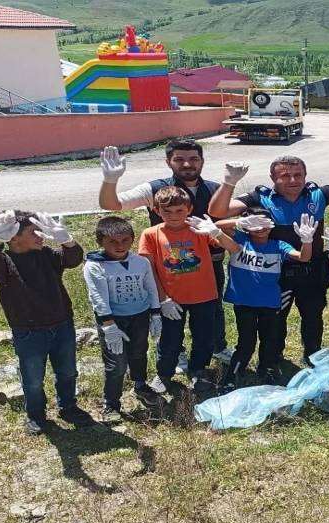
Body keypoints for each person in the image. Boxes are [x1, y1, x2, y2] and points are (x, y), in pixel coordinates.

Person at [208, 154, 329, 367]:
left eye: (298, 174)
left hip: (313, 270)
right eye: (285, 175)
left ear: (305, 175)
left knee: (313, 318)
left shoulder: (319, 194)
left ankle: (312, 355)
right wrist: (229, 182)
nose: (293, 180)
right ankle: (275, 357)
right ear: (273, 177)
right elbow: (216, 212)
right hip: (276, 273)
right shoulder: (259, 197)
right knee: (276, 320)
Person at [97, 141, 236, 364]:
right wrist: (110, 179)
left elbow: (228, 217)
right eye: (179, 159)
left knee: (213, 311)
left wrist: (238, 221)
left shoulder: (214, 189)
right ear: (168, 162)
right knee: (170, 315)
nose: (187, 164)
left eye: (194, 158)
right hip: (166, 266)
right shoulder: (154, 189)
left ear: (202, 161)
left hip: (208, 265)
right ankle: (175, 354)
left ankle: (217, 347)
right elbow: (111, 204)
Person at [0, 210, 89, 435]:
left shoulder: (46, 254)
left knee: (67, 372)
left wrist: (67, 241)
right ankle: (36, 415)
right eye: (33, 232)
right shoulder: (5, 263)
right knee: (33, 379)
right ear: (13, 238)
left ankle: (68, 407)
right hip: (28, 332)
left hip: (62, 325)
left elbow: (73, 259)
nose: (41, 236)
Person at [138, 187, 225, 393]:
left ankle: (199, 370)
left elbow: (229, 246)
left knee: (204, 337)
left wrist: (216, 230)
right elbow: (148, 270)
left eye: (179, 210)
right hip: (171, 299)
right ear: (157, 211)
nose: (174, 216)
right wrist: (162, 299)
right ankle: (164, 373)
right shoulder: (150, 234)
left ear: (189, 209)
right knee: (170, 340)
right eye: (167, 211)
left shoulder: (199, 229)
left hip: (204, 296)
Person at [218, 208, 316, 388]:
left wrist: (307, 240)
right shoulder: (240, 240)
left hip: (270, 304)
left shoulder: (279, 245)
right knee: (246, 343)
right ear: (247, 227)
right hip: (244, 303)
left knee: (269, 339)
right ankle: (233, 374)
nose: (260, 228)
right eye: (255, 224)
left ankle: (266, 368)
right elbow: (217, 227)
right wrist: (239, 223)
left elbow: (303, 257)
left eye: (264, 223)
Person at [82, 216, 161, 423]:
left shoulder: (140, 262)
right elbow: (97, 296)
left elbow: (150, 287)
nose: (120, 246)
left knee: (139, 351)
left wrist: (155, 313)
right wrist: (108, 325)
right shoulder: (95, 266)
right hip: (114, 320)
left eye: (125, 240)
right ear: (100, 242)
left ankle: (140, 385)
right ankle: (111, 403)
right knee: (116, 362)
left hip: (140, 315)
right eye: (113, 242)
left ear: (133, 239)